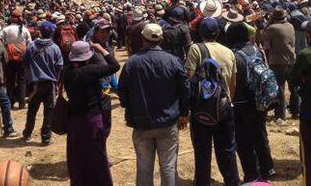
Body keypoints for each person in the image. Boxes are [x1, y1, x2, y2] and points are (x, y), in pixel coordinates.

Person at [118, 23, 190, 186]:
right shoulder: (173, 61)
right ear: (161, 39)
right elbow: (185, 89)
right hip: (168, 122)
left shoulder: (132, 63)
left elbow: (122, 91)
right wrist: (184, 113)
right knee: (168, 167)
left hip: (142, 122)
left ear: (143, 39)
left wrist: (131, 107)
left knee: (144, 167)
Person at [185, 17, 240, 186]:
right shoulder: (229, 51)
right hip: (225, 106)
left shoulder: (195, 49)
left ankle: (202, 182)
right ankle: (232, 181)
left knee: (202, 151)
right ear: (217, 33)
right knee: (227, 149)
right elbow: (233, 82)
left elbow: (189, 78)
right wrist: (227, 100)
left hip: (202, 108)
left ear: (200, 32)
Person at [63, 41, 120, 186]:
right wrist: (101, 49)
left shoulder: (67, 71)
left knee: (78, 157)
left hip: (74, 120)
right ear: (87, 57)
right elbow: (115, 66)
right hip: (92, 118)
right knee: (97, 157)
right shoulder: (90, 71)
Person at [226, 23, 275, 182]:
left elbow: (234, 82)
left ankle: (251, 174)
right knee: (260, 134)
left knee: (244, 140)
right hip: (260, 99)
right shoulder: (256, 50)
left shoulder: (234, 55)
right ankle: (267, 168)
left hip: (241, 103)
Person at [22, 21, 63, 145]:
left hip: (34, 84)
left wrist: (30, 75)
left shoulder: (31, 46)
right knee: (49, 111)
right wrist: (56, 81)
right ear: (51, 33)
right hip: (50, 83)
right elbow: (59, 66)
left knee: (32, 110)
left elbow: (25, 63)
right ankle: (45, 137)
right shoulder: (55, 48)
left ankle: (27, 133)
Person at [289, 18, 311, 186]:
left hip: (310, 110)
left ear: (310, 35)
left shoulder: (307, 54)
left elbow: (292, 80)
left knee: (310, 154)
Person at [263, 6, 297, 123]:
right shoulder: (290, 26)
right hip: (291, 60)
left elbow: (266, 46)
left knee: (280, 89)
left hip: (278, 61)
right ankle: (296, 110)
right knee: (293, 87)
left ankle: (280, 115)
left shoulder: (271, 28)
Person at [0, 9, 31, 110]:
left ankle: (10, 102)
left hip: (9, 58)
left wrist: (5, 43)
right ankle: (21, 103)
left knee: (10, 81)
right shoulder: (24, 29)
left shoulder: (6, 29)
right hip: (22, 58)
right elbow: (29, 42)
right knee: (22, 81)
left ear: (11, 18)